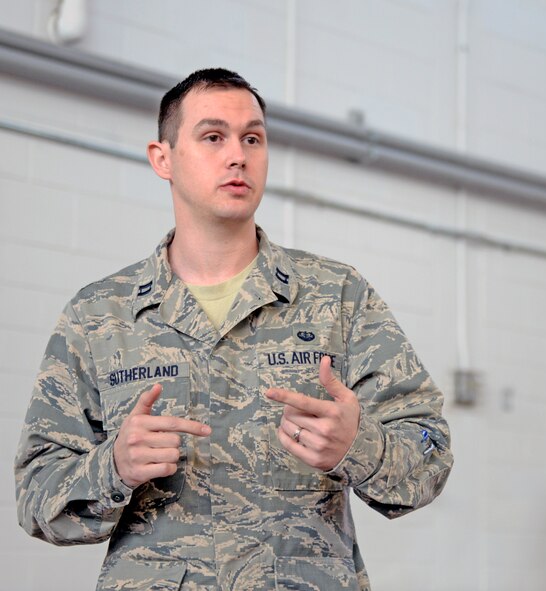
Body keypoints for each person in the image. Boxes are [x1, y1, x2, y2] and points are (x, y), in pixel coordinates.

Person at [15, 68, 453, 590]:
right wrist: (114, 466)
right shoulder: (98, 317)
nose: (238, 155)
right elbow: (35, 496)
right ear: (163, 158)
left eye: (253, 138)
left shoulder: (337, 296)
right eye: (213, 137)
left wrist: (358, 444)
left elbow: (430, 449)